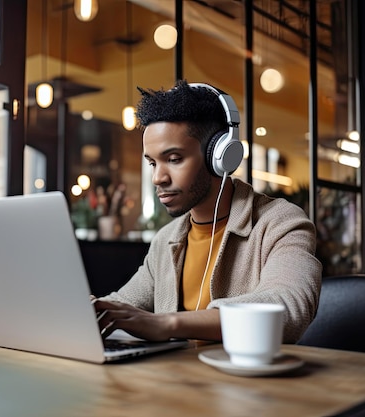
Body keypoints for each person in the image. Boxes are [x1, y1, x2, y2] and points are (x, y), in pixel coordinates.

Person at [93, 80, 322, 344]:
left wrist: (167, 323)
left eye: (174, 159)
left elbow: (286, 309)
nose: (158, 178)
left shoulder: (282, 223)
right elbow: (122, 306)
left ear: (221, 155)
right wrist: (90, 310)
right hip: (176, 381)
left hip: (247, 383)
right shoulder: (166, 240)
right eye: (153, 162)